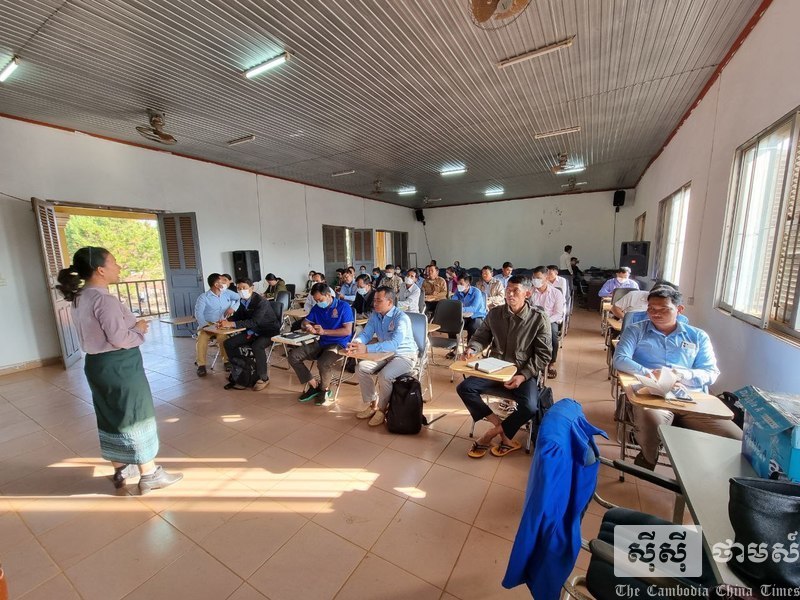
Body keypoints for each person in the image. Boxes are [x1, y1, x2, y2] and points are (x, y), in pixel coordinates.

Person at [56, 246, 182, 493]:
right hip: (119, 365)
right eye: (114, 262)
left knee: (111, 414)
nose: (119, 266)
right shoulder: (104, 300)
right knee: (136, 414)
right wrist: (140, 330)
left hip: (97, 365)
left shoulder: (81, 297)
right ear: (100, 270)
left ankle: (122, 468)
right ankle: (150, 474)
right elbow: (119, 338)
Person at [612, 287, 742, 470]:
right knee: (651, 420)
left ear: (679, 309)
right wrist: (650, 373)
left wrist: (681, 374)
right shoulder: (636, 330)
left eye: (663, 309)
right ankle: (649, 458)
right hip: (652, 395)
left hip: (690, 399)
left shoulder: (697, 336)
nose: (656, 314)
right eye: (651, 309)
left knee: (735, 439)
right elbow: (620, 359)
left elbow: (710, 372)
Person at [457, 276, 552, 458]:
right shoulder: (495, 314)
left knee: (530, 406)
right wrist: (472, 348)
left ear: (527, 293)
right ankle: (500, 428)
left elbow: (543, 355)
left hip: (521, 372)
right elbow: (481, 337)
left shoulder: (538, 319)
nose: (510, 294)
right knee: (464, 388)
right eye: (508, 290)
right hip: (495, 370)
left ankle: (490, 434)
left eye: (516, 290)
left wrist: (523, 375)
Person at [350, 287, 418, 427]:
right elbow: (366, 334)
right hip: (385, 355)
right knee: (361, 368)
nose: (374, 303)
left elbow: (394, 344)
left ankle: (381, 410)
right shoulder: (375, 315)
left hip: (404, 355)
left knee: (384, 375)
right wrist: (356, 343)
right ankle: (373, 405)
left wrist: (367, 348)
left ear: (389, 302)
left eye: (378, 301)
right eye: (374, 300)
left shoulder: (401, 318)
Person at [289, 283, 354, 405]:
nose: (318, 302)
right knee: (293, 356)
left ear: (328, 295)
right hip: (322, 342)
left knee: (323, 363)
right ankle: (314, 386)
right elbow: (304, 322)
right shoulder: (317, 308)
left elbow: (347, 331)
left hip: (339, 344)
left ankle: (324, 389)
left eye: (320, 299)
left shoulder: (343, 307)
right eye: (316, 300)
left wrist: (324, 332)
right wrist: (308, 326)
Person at [220, 278, 282, 391]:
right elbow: (238, 316)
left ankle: (264, 378)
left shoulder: (261, 302)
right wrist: (225, 321)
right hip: (252, 331)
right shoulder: (242, 301)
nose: (241, 290)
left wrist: (231, 324)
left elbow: (254, 322)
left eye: (244, 288)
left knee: (257, 346)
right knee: (229, 343)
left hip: (268, 331)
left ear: (252, 288)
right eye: (239, 288)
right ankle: (242, 369)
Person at [194, 273, 240, 376]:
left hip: (222, 323)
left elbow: (239, 298)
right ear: (216, 284)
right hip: (208, 324)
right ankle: (201, 365)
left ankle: (226, 362)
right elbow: (198, 313)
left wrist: (233, 308)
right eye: (222, 281)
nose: (225, 283)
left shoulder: (227, 293)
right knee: (202, 339)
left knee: (223, 338)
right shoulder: (204, 297)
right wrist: (205, 326)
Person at [531, 266, 565, 379]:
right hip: (532, 319)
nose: (535, 280)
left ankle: (551, 363)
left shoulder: (556, 293)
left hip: (550, 320)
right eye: (534, 277)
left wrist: (545, 321)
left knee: (553, 336)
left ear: (546, 278)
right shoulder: (530, 292)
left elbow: (558, 314)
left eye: (538, 278)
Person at [451, 274, 487, 341]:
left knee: (472, 327)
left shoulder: (476, 292)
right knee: (452, 325)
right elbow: (453, 303)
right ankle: (453, 344)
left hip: (477, 315)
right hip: (464, 315)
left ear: (468, 284)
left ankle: (470, 346)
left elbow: (474, 308)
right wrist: (456, 308)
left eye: (461, 284)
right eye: (458, 283)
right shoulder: (458, 291)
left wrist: (460, 309)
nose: (459, 286)